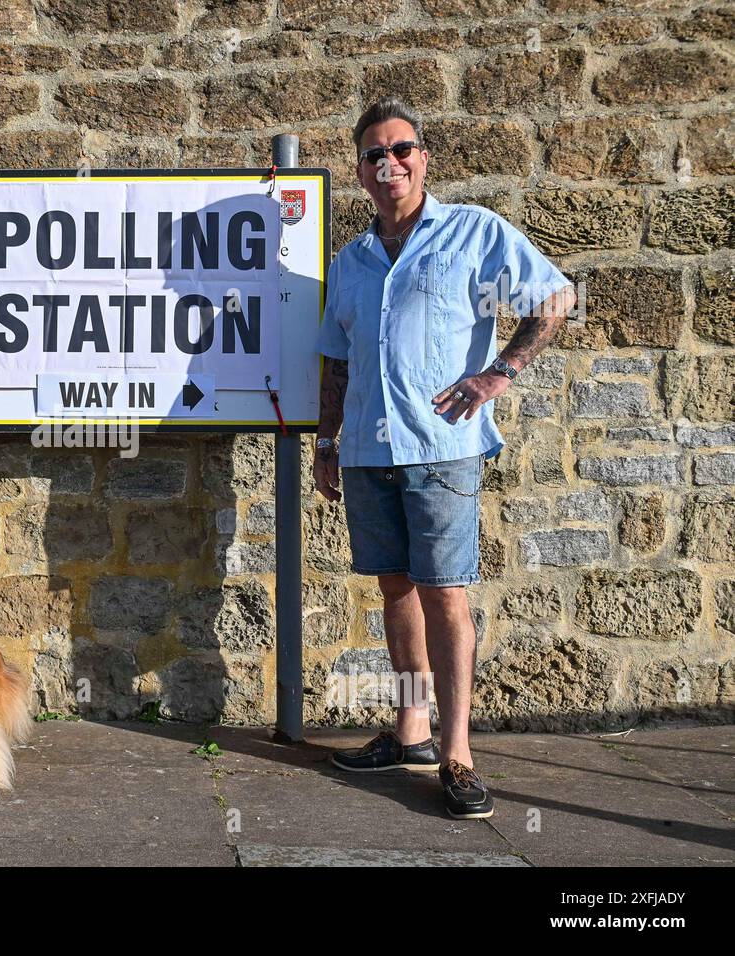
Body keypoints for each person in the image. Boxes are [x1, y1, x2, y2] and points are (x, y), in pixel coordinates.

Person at [313, 98, 575, 819]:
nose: (388, 164)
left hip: (443, 451)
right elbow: (334, 362)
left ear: (424, 157)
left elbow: (554, 298)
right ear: (361, 172)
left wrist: (500, 374)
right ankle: (411, 732)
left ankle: (457, 754)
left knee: (445, 596)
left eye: (401, 150)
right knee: (395, 592)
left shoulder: (473, 233)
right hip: (368, 450)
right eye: (374, 155)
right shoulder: (352, 260)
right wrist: (327, 445)